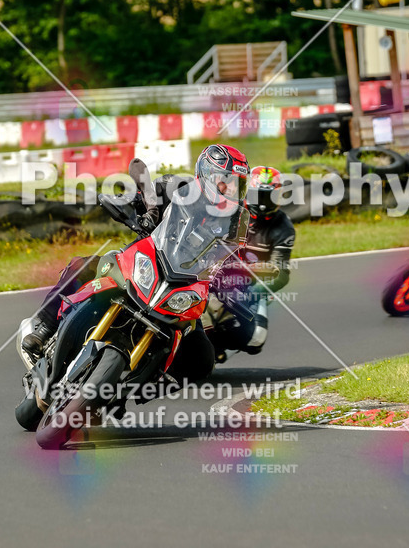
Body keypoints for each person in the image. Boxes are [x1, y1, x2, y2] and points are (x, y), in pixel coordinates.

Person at [22, 143, 250, 382]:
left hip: (184, 289)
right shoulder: (178, 188)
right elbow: (141, 187)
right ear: (207, 174)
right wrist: (141, 210)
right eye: (226, 179)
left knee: (202, 358)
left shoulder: (235, 221)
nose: (232, 187)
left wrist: (234, 281)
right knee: (83, 266)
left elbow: (237, 258)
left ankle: (134, 388)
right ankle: (44, 327)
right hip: (144, 264)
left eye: (238, 182)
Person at [204, 166, 295, 360]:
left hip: (251, 284)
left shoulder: (283, 227)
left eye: (269, 197)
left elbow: (282, 271)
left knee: (256, 339)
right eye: (259, 196)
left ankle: (215, 348)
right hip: (216, 273)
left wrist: (256, 292)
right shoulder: (230, 211)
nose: (263, 204)